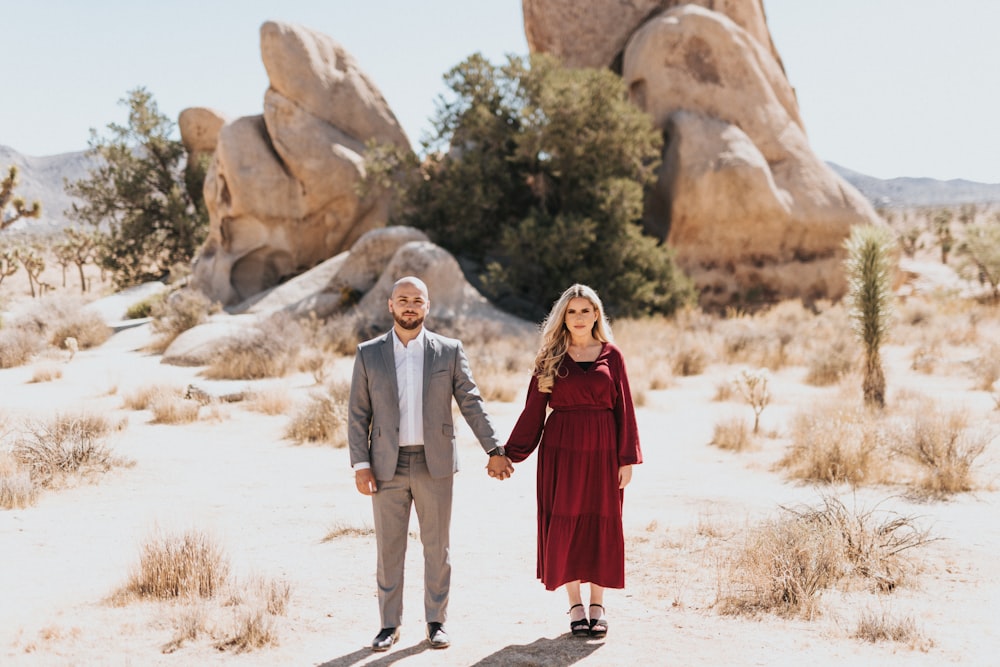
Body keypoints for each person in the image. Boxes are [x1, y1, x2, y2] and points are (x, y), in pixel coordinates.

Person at [348, 275, 514, 652]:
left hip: (434, 463)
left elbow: (471, 401)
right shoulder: (368, 353)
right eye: (402, 299)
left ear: (428, 306)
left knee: (437, 547)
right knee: (389, 548)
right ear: (390, 305)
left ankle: (436, 622)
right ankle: (388, 625)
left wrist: (494, 449)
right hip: (384, 465)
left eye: (417, 300)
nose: (410, 306)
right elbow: (357, 414)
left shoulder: (449, 350)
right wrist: (360, 463)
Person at [503, 283, 641, 639]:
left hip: (603, 450)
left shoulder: (612, 355)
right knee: (565, 520)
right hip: (561, 450)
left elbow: (625, 410)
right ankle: (575, 604)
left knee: (602, 520)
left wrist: (626, 459)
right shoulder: (550, 356)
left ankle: (598, 604)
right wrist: (508, 454)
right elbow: (533, 412)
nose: (579, 318)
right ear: (562, 316)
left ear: (596, 314)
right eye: (571, 311)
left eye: (585, 310)